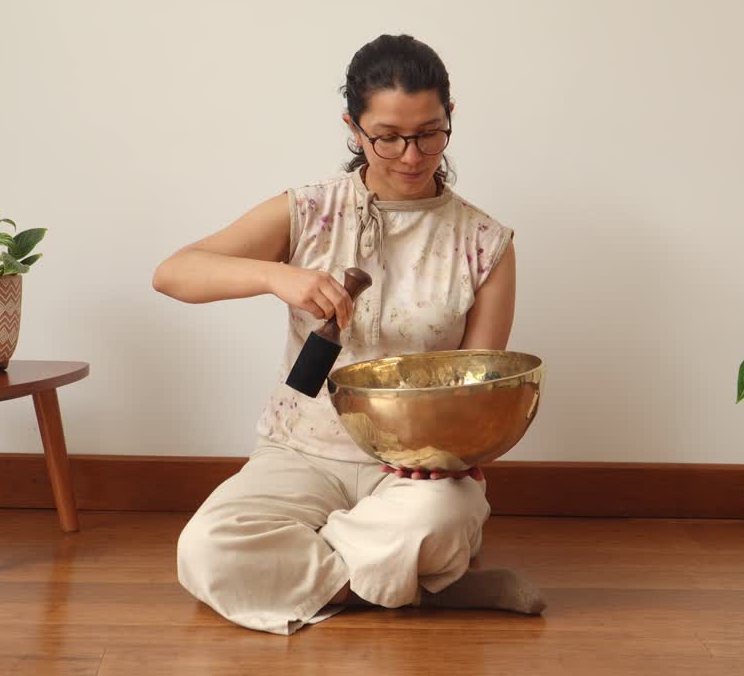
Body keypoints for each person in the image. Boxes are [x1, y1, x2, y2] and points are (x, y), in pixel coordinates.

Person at [152, 34, 545, 635]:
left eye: (429, 133)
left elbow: (478, 391)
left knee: (439, 516)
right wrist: (274, 276)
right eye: (387, 136)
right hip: (302, 451)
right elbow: (174, 274)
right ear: (353, 128)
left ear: (450, 119)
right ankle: (413, 585)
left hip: (415, 471)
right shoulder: (309, 210)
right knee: (205, 549)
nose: (411, 155)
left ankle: (365, 562)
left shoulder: (485, 242)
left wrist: (450, 461)